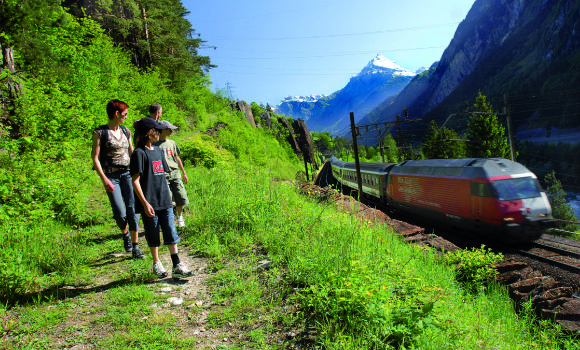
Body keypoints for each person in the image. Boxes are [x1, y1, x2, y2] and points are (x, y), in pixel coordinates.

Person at [130, 117, 193, 279]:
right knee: (153, 232)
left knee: (170, 231)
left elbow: (163, 175)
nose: (158, 133)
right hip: (149, 202)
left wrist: (169, 198)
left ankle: (177, 264)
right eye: (155, 130)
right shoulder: (138, 153)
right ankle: (156, 263)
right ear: (148, 133)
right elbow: (135, 181)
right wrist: (144, 203)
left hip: (164, 199)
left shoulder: (158, 151)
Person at [91, 99, 144, 259]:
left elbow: (132, 153)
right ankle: (125, 233)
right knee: (120, 213)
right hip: (111, 176)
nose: (126, 117)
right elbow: (95, 158)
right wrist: (104, 179)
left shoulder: (125, 131)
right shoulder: (100, 133)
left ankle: (135, 247)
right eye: (124, 114)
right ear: (116, 114)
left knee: (132, 210)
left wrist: (139, 172)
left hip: (128, 174)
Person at [153, 120, 189, 227]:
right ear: (163, 130)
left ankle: (180, 217)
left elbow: (177, 158)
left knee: (180, 194)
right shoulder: (154, 144)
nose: (171, 132)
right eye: (170, 130)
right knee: (167, 198)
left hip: (175, 172)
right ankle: (168, 219)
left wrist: (184, 173)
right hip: (162, 174)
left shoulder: (172, 143)